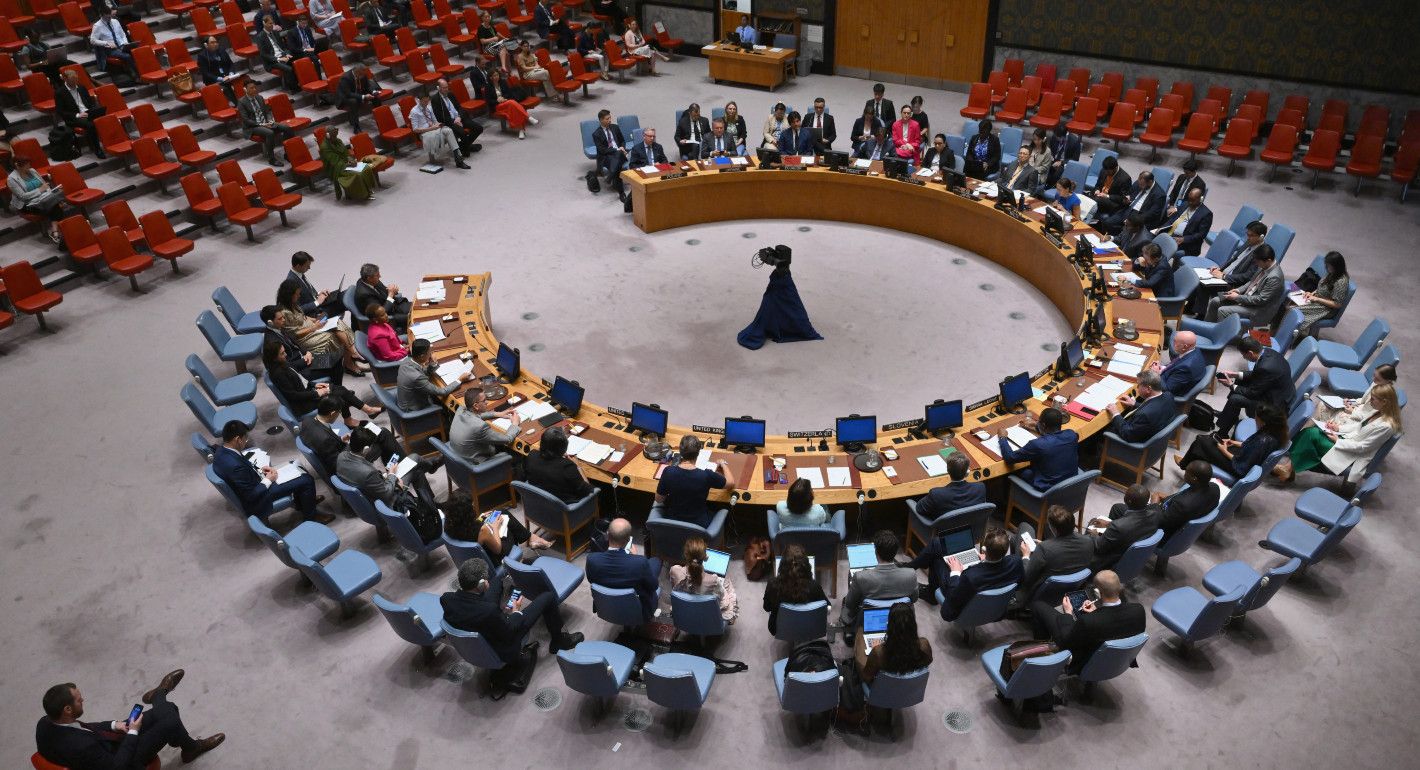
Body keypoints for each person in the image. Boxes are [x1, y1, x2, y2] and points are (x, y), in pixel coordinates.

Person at [35, 673, 224, 769]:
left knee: (168, 712)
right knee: (170, 718)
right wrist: (133, 731)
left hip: (104, 746)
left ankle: (161, 698)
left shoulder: (45, 723)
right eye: (78, 699)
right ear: (67, 709)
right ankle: (160, 695)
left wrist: (114, 725)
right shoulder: (81, 746)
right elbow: (117, 766)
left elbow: (84, 728)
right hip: (121, 761)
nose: (83, 700)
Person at [442, 558, 584, 665]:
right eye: (485, 580)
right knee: (548, 596)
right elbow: (509, 631)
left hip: (481, 625)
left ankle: (514, 570)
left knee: (497, 579)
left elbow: (483, 610)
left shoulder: (446, 599)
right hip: (504, 644)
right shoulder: (489, 611)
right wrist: (515, 612)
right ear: (481, 584)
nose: (487, 582)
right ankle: (558, 641)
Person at [1281, 383, 1401, 485]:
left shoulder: (1386, 426)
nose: (1370, 401)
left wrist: (1338, 441)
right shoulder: (1377, 412)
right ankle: (1288, 468)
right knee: (1311, 432)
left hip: (1352, 454)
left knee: (1311, 435)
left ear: (1384, 402)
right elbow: (1357, 427)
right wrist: (1337, 428)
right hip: (1347, 440)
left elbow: (1364, 447)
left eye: (1373, 399)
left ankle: (1288, 469)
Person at [212, 420, 330, 523]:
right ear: (237, 439)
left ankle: (304, 503)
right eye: (245, 438)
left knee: (296, 466)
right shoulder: (234, 465)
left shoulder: (222, 451)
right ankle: (311, 516)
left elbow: (243, 474)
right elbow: (250, 495)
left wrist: (259, 470)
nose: (246, 441)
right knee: (306, 480)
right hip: (258, 498)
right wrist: (268, 480)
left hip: (256, 482)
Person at [1030, 570, 1145, 674]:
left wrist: (1068, 613)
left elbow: (1066, 641)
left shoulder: (1088, 622)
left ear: (1098, 592)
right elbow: (1115, 625)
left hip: (1085, 661)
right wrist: (1097, 612)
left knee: (1038, 606)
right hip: (1118, 661)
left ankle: (1042, 657)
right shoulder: (1139, 610)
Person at [335, 427, 442, 535]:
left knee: (417, 470)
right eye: (372, 446)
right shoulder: (368, 473)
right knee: (415, 459)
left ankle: (430, 505)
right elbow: (386, 493)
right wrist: (391, 474)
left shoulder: (341, 456)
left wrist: (383, 476)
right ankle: (431, 503)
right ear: (366, 449)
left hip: (369, 493)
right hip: (386, 500)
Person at [264, 339, 380, 419]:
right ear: (274, 357)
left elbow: (299, 378)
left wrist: (314, 385)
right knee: (340, 393)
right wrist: (316, 392)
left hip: (307, 385)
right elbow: (293, 396)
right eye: (282, 353)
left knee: (339, 387)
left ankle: (362, 413)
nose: (285, 355)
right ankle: (365, 411)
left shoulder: (283, 362)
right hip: (304, 402)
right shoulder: (278, 373)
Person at [275, 278, 365, 375]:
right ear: (289, 295)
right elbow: (295, 334)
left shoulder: (292, 303)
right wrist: (314, 327)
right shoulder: (284, 313)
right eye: (297, 294)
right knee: (333, 337)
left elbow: (302, 316)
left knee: (338, 322)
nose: (299, 296)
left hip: (311, 326)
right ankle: (349, 358)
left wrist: (315, 320)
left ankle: (350, 358)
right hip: (304, 337)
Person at [1178, 402, 1286, 480]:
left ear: (1264, 422)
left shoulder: (1263, 440)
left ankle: (1185, 465)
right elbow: (1252, 449)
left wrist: (1224, 450)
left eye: (1257, 418)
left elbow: (1241, 465)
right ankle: (1191, 466)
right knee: (1211, 439)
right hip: (1244, 459)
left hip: (1238, 469)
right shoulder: (1274, 433)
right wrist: (1235, 442)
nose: (1255, 420)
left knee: (1201, 441)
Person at [932, 528, 1023, 620]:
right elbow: (1019, 585)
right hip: (996, 611)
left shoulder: (970, 576)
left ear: (984, 550)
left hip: (963, 611)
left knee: (938, 560)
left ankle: (929, 594)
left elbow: (953, 597)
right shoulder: (1016, 562)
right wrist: (987, 559)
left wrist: (955, 572)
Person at [1214, 336, 1295, 437]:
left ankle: (1223, 432)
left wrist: (1230, 385)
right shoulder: (1268, 352)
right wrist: (1235, 374)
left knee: (1235, 399)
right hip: (1275, 391)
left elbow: (1252, 393)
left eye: (1244, 356)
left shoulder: (1266, 367)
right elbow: (1257, 374)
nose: (1244, 358)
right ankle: (1227, 415)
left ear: (1250, 353)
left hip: (1275, 404)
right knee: (1240, 379)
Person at [585, 518, 662, 622]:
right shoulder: (640, 563)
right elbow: (653, 586)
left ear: (607, 535)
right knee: (655, 561)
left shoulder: (592, 559)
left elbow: (592, 580)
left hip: (607, 608)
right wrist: (635, 558)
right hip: (641, 610)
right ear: (628, 540)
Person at [838, 529, 917, 631]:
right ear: (896, 551)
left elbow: (850, 604)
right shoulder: (911, 574)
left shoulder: (860, 577)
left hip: (869, 623)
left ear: (875, 552)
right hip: (899, 622)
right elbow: (914, 599)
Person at [300, 395, 400, 474]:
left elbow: (327, 446)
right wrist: (353, 448)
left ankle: (392, 467)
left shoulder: (307, 421)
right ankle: (397, 468)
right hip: (348, 465)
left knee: (382, 434)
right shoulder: (325, 439)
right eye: (339, 412)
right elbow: (338, 465)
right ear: (332, 413)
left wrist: (340, 440)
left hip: (337, 453)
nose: (339, 414)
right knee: (383, 435)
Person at [654, 435, 735, 528]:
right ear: (698, 453)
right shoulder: (706, 475)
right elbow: (731, 482)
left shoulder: (668, 472)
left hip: (672, 523)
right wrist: (723, 464)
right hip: (698, 526)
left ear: (680, 452)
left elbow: (658, 499)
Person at [1191, 225, 1269, 317]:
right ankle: (1190, 308)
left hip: (1233, 283)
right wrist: (1220, 269)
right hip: (1224, 274)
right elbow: (1233, 259)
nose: (1248, 237)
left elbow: (1248, 277)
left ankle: (1200, 316)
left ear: (1261, 237)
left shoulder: (1261, 253)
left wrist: (1224, 277)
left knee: (1203, 285)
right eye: (1247, 234)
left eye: (1251, 235)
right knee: (1196, 277)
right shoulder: (1248, 242)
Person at [1018, 505, 1093, 600]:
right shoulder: (1089, 541)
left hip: (1039, 592)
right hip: (1066, 589)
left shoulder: (1044, 548)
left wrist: (1026, 555)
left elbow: (1027, 577)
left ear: (1053, 528)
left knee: (1024, 527)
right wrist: (1048, 546)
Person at [999, 407, 1080, 491]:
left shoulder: (1037, 444)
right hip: (1071, 484)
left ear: (1044, 425)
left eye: (1039, 421)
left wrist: (1002, 438)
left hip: (1049, 489)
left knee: (1017, 470)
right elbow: (1055, 436)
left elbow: (1010, 458)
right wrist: (1037, 425)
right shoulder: (1072, 435)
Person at [1205, 243, 1283, 326]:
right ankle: (1207, 327)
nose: (1257, 264)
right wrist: (1238, 290)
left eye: (1258, 262)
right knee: (1215, 301)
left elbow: (1260, 300)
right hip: (1246, 298)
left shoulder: (1275, 277)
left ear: (1268, 260)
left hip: (1256, 310)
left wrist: (1237, 297)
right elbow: (1252, 282)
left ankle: (1220, 335)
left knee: (1223, 311)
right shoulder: (1264, 266)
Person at [1087, 484, 1162, 570]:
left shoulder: (1118, 527)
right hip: (1132, 544)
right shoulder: (1156, 513)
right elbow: (1131, 525)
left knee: (1092, 525)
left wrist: (1094, 534)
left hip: (1113, 557)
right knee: (1117, 508)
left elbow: (1099, 547)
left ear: (1128, 501)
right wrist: (1109, 524)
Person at [856, 601, 931, 686]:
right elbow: (926, 664)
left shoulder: (878, 653)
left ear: (889, 626)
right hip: (910, 689)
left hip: (885, 691)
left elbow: (866, 677)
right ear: (913, 624)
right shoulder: (924, 645)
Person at [670, 536, 739, 623]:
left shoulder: (674, 570)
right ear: (706, 557)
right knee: (727, 584)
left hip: (686, 611)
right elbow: (723, 602)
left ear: (685, 555)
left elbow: (675, 590)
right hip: (707, 615)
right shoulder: (713, 580)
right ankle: (731, 620)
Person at [397, 338, 474, 415]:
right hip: (413, 409)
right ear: (422, 356)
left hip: (410, 398)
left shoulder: (407, 361)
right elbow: (442, 392)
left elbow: (423, 372)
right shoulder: (417, 377)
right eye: (429, 353)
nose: (431, 354)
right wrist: (460, 380)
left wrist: (433, 364)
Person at [763, 544, 826, 635]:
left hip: (779, 628)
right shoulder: (814, 586)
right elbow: (825, 606)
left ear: (782, 565)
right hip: (808, 627)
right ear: (806, 565)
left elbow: (766, 607)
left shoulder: (772, 584)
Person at [448, 386, 520, 465]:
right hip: (477, 465)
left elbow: (473, 416)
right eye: (484, 400)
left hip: (458, 458)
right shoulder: (480, 427)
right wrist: (515, 424)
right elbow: (507, 439)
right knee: (515, 455)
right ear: (476, 406)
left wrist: (497, 414)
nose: (487, 402)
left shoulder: (461, 410)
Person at [523, 426, 596, 504]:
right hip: (565, 507)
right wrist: (578, 466)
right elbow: (589, 491)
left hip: (539, 502)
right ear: (564, 448)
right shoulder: (567, 467)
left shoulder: (531, 455)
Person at [1154, 460, 1220, 539]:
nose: (1184, 473)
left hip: (1163, 534)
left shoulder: (1182, 505)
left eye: (1187, 472)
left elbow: (1158, 521)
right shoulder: (1215, 488)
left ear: (1194, 478)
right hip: (1182, 515)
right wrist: (1169, 498)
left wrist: (1154, 505)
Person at [911, 452, 986, 523]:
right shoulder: (980, 488)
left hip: (940, 530)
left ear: (948, 471)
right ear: (967, 473)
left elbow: (919, 508)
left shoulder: (936, 494)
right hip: (970, 525)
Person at [1103, 371, 1175, 443]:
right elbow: (1153, 408)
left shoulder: (1144, 415)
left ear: (1148, 389)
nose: (1137, 388)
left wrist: (1116, 414)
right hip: (1150, 431)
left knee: (1101, 430)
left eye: (1138, 385)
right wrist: (1134, 404)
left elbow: (1127, 435)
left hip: (1134, 445)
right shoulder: (1168, 396)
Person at [7, 156, 65, 243]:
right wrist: (40, 190)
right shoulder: (12, 179)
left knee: (52, 202)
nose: (29, 166)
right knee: (54, 205)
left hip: (43, 198)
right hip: (27, 204)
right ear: (17, 166)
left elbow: (45, 185)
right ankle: (57, 232)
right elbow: (23, 196)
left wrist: (49, 192)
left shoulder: (32, 171)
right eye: (26, 165)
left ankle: (56, 232)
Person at [1294, 251, 1350, 338]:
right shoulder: (1332, 273)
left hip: (1327, 309)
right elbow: (1323, 286)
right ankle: (1291, 333)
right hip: (1319, 300)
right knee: (1291, 304)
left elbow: (1337, 304)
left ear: (1337, 266)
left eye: (1329, 266)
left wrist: (1317, 299)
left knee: (1296, 311)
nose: (1327, 268)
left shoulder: (1341, 282)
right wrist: (1312, 293)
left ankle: (1292, 336)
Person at [318, 126, 382, 202]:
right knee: (358, 174)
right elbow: (335, 162)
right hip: (336, 169)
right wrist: (349, 165)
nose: (335, 137)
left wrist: (350, 159)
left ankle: (367, 189)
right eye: (333, 135)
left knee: (366, 168)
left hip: (345, 164)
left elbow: (346, 153)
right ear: (328, 135)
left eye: (336, 135)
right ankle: (364, 194)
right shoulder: (324, 147)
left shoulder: (338, 140)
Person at [238, 79, 293, 167]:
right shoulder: (241, 102)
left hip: (265, 122)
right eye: (251, 88)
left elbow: (267, 112)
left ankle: (288, 153)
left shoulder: (260, 97)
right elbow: (246, 120)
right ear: (245, 89)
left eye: (255, 87)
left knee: (287, 128)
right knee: (270, 133)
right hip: (253, 126)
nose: (254, 90)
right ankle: (271, 158)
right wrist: (262, 124)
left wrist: (270, 120)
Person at [54, 68, 107, 159]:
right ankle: (97, 149)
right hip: (74, 118)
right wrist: (78, 115)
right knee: (91, 125)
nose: (75, 83)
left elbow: (89, 103)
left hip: (87, 113)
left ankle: (110, 143)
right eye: (72, 81)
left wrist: (93, 110)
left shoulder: (82, 88)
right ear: (65, 79)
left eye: (76, 80)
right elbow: (61, 111)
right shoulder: (60, 93)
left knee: (106, 117)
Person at [408, 91, 469, 169]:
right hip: (424, 133)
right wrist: (432, 128)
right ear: (419, 101)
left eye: (427, 101)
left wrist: (438, 125)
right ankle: (458, 159)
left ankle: (458, 159)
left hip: (434, 128)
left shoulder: (429, 107)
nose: (426, 103)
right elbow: (415, 130)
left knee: (449, 130)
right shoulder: (414, 112)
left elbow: (435, 121)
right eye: (424, 101)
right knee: (448, 132)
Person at [476, 67, 537, 141]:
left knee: (513, 108)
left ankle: (521, 130)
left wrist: (504, 98)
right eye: (494, 76)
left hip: (506, 102)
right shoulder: (488, 87)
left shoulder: (503, 82)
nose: (496, 77)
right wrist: (497, 100)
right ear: (490, 77)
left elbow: (509, 94)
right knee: (512, 103)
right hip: (497, 106)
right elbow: (489, 101)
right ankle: (527, 117)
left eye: (497, 75)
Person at [1099, 169, 1164, 233]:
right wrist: (1127, 198)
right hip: (1127, 210)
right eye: (1139, 183)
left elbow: (1152, 214)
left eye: (1142, 185)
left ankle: (1118, 239)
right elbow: (1128, 193)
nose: (1139, 186)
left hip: (1139, 216)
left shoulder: (1159, 195)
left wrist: (1134, 220)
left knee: (1124, 231)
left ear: (1150, 182)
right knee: (1107, 223)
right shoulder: (1138, 183)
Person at [431, 78, 484, 156]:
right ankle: (466, 149)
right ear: (438, 88)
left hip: (459, 118)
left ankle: (462, 146)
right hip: (450, 122)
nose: (446, 89)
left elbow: (459, 107)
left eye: (447, 87)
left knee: (479, 128)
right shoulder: (435, 99)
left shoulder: (450, 94)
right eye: (444, 88)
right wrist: (454, 121)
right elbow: (440, 117)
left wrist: (459, 117)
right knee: (462, 132)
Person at [286, 250, 343, 318]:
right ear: (298, 266)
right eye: (307, 266)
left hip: (317, 303)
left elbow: (307, 291)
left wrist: (318, 294)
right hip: (313, 312)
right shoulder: (291, 283)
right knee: (342, 303)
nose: (309, 268)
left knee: (342, 296)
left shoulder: (299, 273)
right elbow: (297, 310)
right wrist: (317, 302)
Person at [1158, 186, 1212, 256]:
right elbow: (1172, 219)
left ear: (1200, 199)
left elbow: (1201, 235)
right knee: (1153, 241)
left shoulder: (1206, 214)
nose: (1190, 202)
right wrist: (1162, 228)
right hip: (1171, 233)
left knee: (1163, 250)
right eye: (1189, 199)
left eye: (1193, 200)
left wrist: (1184, 239)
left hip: (1186, 243)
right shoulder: (1185, 204)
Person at [355, 263, 409, 330]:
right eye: (377, 275)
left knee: (418, 307)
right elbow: (381, 312)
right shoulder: (364, 295)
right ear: (369, 278)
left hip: (394, 305)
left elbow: (385, 290)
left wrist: (392, 290)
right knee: (415, 316)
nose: (380, 276)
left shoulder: (370, 281)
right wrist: (391, 294)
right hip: (389, 315)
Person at [89, 8, 138, 82]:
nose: (109, 19)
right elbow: (92, 40)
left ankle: (144, 71)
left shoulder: (115, 21)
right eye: (107, 17)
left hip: (122, 45)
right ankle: (136, 76)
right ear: (101, 16)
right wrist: (106, 43)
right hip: (110, 49)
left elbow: (122, 34)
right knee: (127, 56)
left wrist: (125, 43)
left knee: (137, 50)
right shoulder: (97, 26)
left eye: (110, 16)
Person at [1153, 329, 1206, 397]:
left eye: (1175, 342)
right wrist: (1163, 368)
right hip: (1172, 378)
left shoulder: (1186, 368)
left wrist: (1156, 374)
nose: (1173, 343)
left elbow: (1167, 389)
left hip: (1169, 396)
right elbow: (1175, 364)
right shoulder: (1195, 350)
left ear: (1185, 346)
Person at [592, 108, 629, 195]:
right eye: (607, 119)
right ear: (601, 120)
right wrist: (617, 150)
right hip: (607, 156)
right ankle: (621, 192)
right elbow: (602, 150)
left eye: (610, 118)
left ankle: (610, 177)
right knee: (618, 163)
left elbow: (622, 140)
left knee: (618, 155)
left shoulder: (615, 128)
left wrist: (622, 147)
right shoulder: (596, 134)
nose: (609, 120)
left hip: (619, 153)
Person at [335, 65, 383, 133]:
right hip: (345, 98)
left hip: (358, 93)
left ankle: (380, 117)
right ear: (357, 72)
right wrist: (363, 96)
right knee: (353, 102)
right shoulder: (345, 78)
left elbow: (367, 85)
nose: (363, 76)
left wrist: (373, 92)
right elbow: (348, 94)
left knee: (376, 97)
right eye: (361, 74)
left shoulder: (362, 74)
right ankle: (356, 126)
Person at [197, 36, 242, 105]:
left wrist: (231, 73)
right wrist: (220, 79)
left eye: (216, 42)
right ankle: (238, 105)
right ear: (206, 45)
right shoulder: (202, 56)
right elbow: (206, 73)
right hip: (214, 80)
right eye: (212, 42)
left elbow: (230, 63)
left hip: (228, 76)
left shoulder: (222, 50)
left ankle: (245, 101)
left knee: (242, 80)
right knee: (226, 87)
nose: (215, 44)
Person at [1084, 155, 1131, 220]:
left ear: (1115, 168)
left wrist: (1107, 196)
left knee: (1095, 199)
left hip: (1113, 202)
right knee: (1084, 197)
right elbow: (1097, 185)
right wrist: (1097, 190)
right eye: (1105, 170)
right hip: (1100, 196)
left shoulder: (1125, 179)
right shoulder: (1104, 170)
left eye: (1108, 171)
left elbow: (1123, 198)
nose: (1106, 172)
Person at [257, 15, 298, 92]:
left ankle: (301, 82)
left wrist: (287, 53)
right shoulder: (260, 37)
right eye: (270, 23)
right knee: (288, 69)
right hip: (272, 61)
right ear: (264, 23)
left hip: (282, 55)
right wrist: (279, 59)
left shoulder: (275, 33)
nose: (272, 25)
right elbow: (264, 54)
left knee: (298, 60)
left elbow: (283, 47)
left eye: (273, 23)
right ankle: (293, 88)